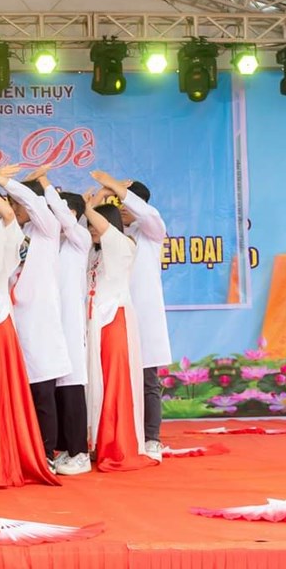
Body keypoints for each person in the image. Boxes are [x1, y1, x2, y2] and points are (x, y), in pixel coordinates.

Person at [0, 172, 72, 473]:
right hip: (11, 322)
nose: (14, 208)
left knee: (42, 393)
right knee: (16, 393)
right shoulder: (12, 233)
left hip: (40, 325)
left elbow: (35, 204)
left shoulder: (47, 231)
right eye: (11, 203)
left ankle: (46, 453)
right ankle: (19, 452)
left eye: (17, 202)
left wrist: (2, 179)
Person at [90, 171, 171, 462]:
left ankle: (151, 438)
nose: (122, 207)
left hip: (142, 317)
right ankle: (111, 438)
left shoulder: (150, 232)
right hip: (110, 318)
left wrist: (114, 186)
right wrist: (103, 193)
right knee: (107, 380)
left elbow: (148, 215)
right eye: (118, 203)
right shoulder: (103, 238)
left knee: (147, 380)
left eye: (127, 202)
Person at [83, 189, 158, 472]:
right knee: (96, 384)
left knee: (116, 384)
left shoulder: (124, 245)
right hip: (94, 325)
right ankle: (99, 441)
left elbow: (105, 229)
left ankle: (118, 444)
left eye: (95, 225)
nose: (91, 229)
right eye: (89, 225)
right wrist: (90, 206)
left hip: (114, 322)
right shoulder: (94, 252)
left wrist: (89, 207)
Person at [27, 165, 92, 476]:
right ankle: (63, 448)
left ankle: (80, 453)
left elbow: (63, 218)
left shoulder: (79, 239)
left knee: (72, 385)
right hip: (48, 322)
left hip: (70, 322)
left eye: (61, 210)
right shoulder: (46, 243)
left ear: (73, 213)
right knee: (54, 387)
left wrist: (45, 185)